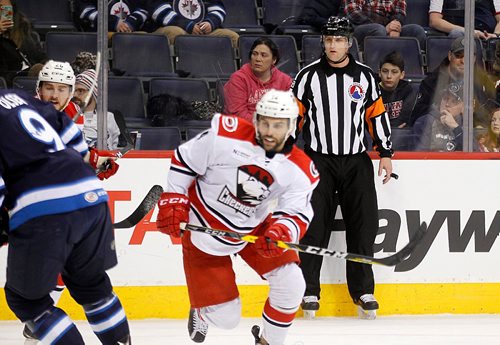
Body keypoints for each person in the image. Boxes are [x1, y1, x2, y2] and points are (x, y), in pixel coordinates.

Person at [156, 89, 319, 345]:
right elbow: (185, 160)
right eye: (264, 122)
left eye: (277, 125)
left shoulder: (299, 168)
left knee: (292, 285)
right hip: (203, 224)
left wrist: (281, 231)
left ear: (291, 127)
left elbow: (296, 212)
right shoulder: (225, 135)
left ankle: (267, 342)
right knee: (227, 319)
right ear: (256, 120)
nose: (268, 131)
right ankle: (201, 308)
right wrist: (174, 198)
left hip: (255, 226)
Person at [0, 88, 131, 344]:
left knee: (27, 299)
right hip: (90, 192)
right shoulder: (19, 98)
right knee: (91, 285)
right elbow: (72, 136)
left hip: (39, 205)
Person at [291, 16, 394, 320]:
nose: (333, 45)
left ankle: (363, 290)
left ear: (349, 43)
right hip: (318, 160)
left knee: (363, 226)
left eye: (338, 40)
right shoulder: (307, 76)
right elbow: (293, 117)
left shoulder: (365, 77)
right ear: (323, 42)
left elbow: (376, 115)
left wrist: (385, 152)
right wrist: (282, 153)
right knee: (313, 226)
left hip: (356, 160)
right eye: (328, 40)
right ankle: (309, 290)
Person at [223, 37, 292, 122]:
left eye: (263, 55)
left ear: (274, 60)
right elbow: (238, 114)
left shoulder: (285, 81)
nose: (258, 59)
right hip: (243, 129)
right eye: (254, 54)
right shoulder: (238, 79)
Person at [148, 0, 239, 47]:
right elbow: (158, 11)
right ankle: (179, 73)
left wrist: (210, 23)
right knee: (175, 33)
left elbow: (218, 9)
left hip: (202, 31)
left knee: (232, 37)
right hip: (173, 27)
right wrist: (187, 25)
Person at [343, 0, 427, 50]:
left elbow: (400, 11)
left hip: (388, 26)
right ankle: (376, 70)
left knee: (416, 31)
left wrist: (395, 26)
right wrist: (385, 28)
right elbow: (353, 12)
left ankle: (410, 69)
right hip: (361, 26)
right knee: (378, 30)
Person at [413, 81, 472, 151]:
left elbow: (475, 153)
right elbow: (419, 155)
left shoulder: (466, 124)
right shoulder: (424, 121)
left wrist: (456, 127)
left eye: (454, 102)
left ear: (463, 107)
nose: (447, 104)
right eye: (446, 98)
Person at [0, 0, 46, 86]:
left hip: (29, 73)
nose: (3, 12)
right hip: (8, 77)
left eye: (6, 8)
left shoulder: (22, 29)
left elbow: (37, 54)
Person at [73, 69, 121, 150]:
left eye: (81, 91)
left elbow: (113, 147)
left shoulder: (108, 117)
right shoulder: (66, 116)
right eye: (74, 90)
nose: (74, 95)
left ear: (94, 92)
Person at [378, 51, 416, 128]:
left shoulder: (407, 90)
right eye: (385, 71)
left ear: (402, 75)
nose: (389, 76)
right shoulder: (371, 90)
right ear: (379, 73)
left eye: (394, 72)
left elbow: (405, 118)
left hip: (399, 133)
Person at [429, 0, 500, 39]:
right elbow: (434, 21)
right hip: (459, 35)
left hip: (487, 37)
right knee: (457, 34)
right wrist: (469, 32)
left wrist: (495, 35)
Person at [74, 0, 152, 33]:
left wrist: (131, 24)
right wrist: (113, 23)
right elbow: (85, 10)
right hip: (98, 35)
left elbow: (143, 9)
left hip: (131, 34)